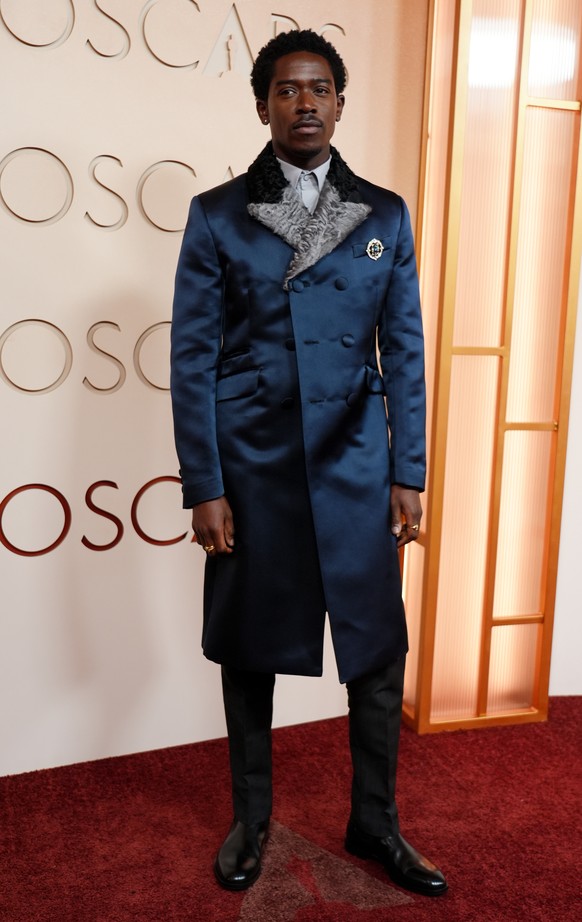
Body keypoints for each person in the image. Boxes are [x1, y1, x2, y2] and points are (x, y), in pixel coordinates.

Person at [170, 29, 447, 898]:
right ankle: (251, 819)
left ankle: (376, 822)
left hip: (360, 463)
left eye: (320, 88)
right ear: (262, 106)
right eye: (287, 91)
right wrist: (204, 483)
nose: (305, 103)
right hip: (252, 467)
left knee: (376, 651)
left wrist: (412, 470)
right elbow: (191, 356)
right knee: (249, 650)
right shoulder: (217, 213)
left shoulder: (385, 213)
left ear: (339, 102)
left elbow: (403, 349)